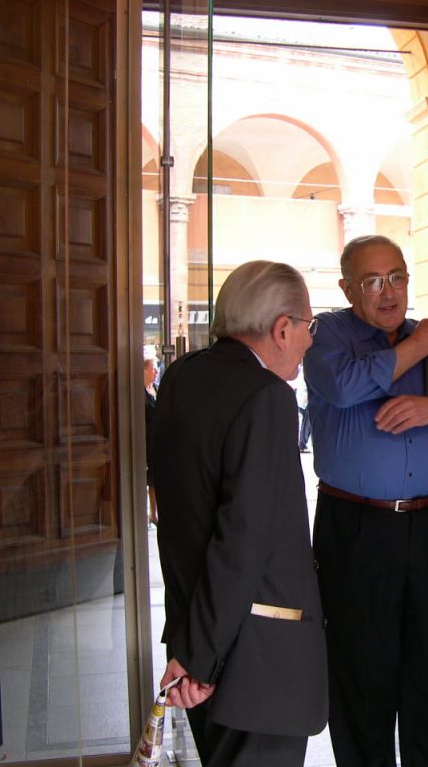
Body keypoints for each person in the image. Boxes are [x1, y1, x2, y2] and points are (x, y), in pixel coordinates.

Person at [303, 234, 428, 767]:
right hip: (355, 525)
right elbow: (344, 387)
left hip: (427, 523)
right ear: (347, 289)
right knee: (361, 672)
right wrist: (421, 343)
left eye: (397, 277)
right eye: (372, 281)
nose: (388, 292)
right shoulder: (328, 334)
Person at [152, 261, 328, 767]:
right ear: (282, 328)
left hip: (198, 635)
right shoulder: (267, 397)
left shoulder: (182, 377)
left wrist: (192, 650)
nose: (309, 341)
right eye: (309, 326)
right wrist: (202, 658)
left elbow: (182, 522)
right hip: (254, 657)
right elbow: (243, 540)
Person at [143, 354, 159, 526]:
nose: (156, 372)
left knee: (155, 477)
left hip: (157, 440)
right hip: (145, 441)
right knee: (149, 476)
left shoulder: (155, 388)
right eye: (153, 369)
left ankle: (154, 513)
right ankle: (150, 513)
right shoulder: (139, 393)